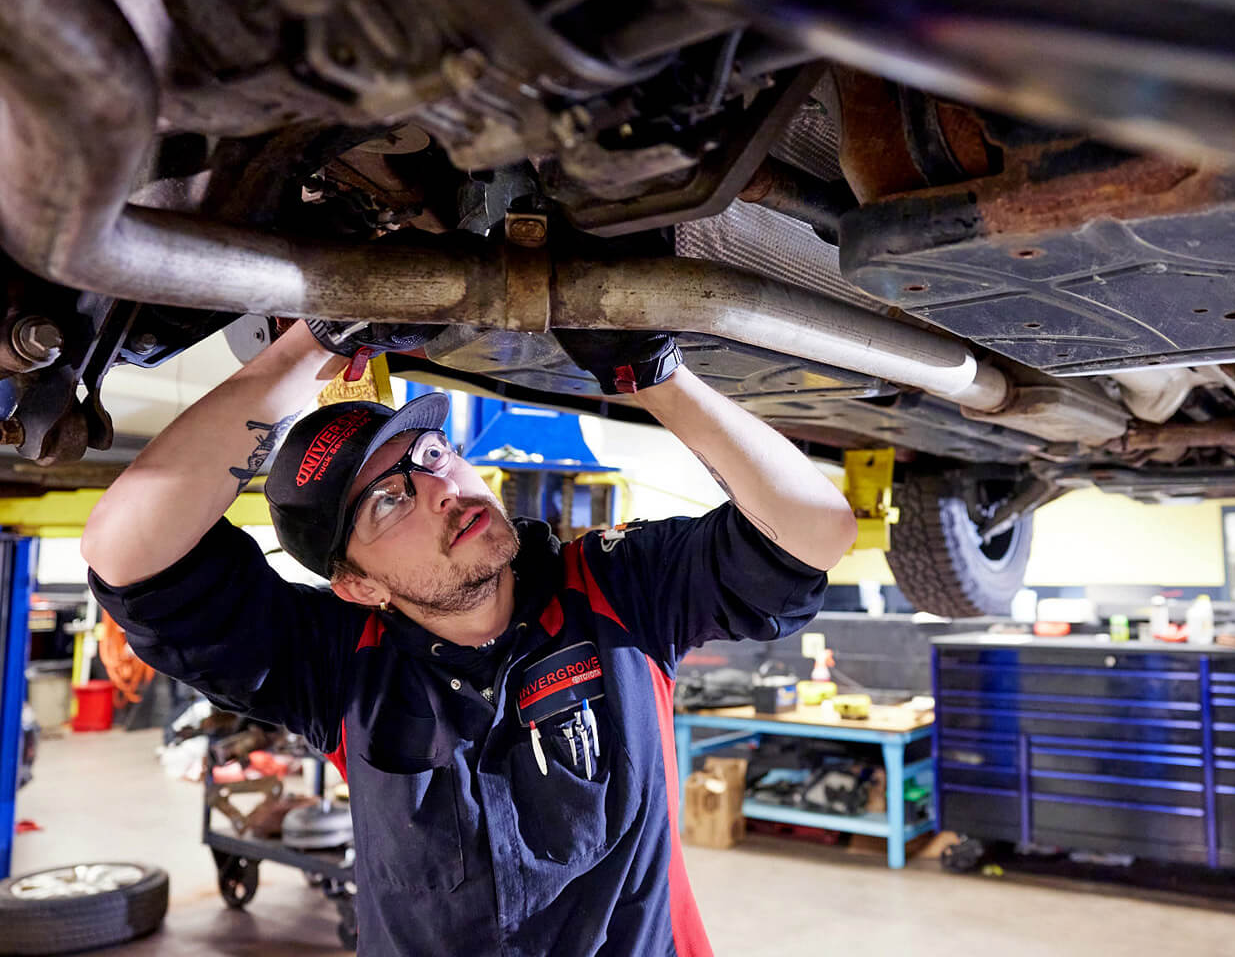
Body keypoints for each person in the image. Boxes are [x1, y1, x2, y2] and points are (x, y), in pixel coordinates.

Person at [81, 320, 857, 956]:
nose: (444, 495)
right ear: (357, 585)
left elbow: (813, 533)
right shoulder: (340, 667)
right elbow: (128, 552)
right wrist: (306, 348)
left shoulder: (617, 592)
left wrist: (657, 376)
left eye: (431, 458)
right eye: (388, 505)